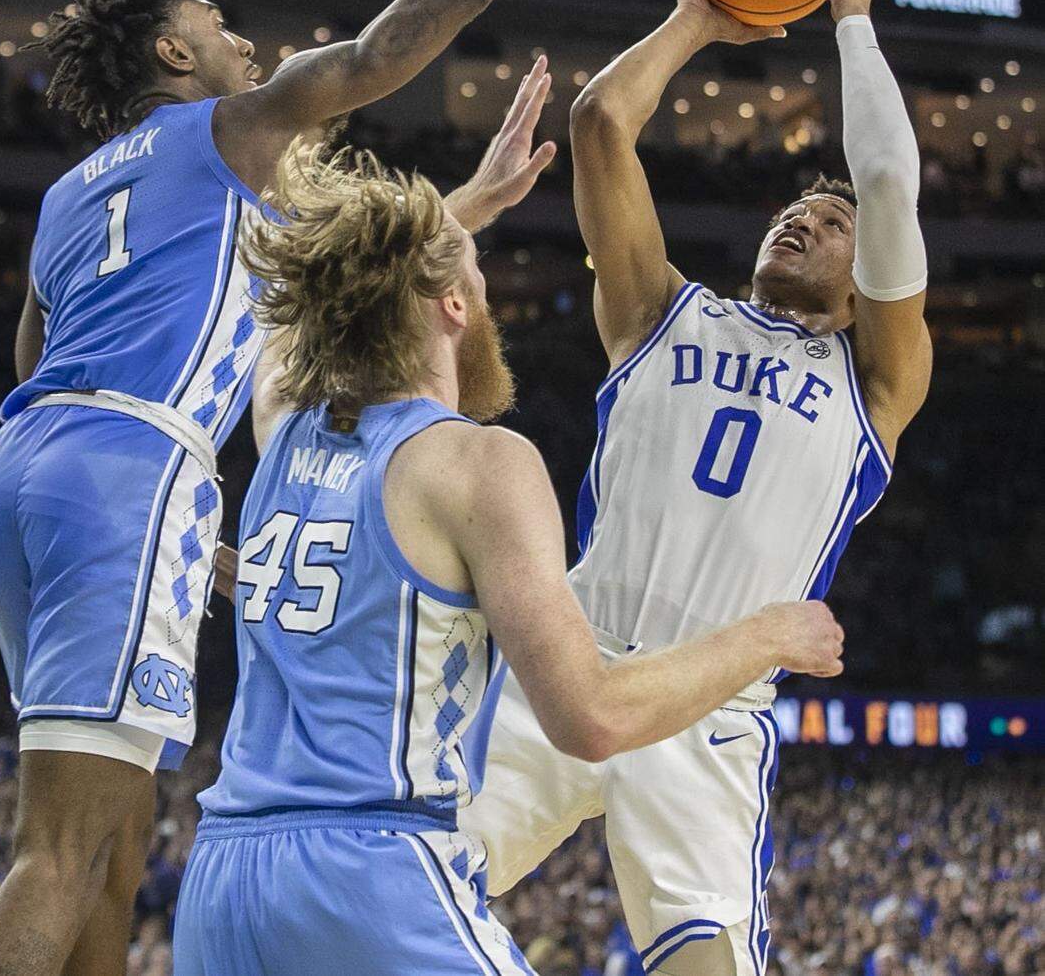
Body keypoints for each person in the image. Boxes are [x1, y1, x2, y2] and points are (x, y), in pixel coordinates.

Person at [0, 0, 710, 976]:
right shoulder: (228, 132)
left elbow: (46, 357)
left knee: (122, 830)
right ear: (169, 52)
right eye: (217, 27)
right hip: (123, 470)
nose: (244, 40)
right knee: (67, 847)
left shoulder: (77, 192)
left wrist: (458, 209)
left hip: (21, 476)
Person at [171, 137, 845, 976]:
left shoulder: (282, 431)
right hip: (373, 871)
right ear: (453, 304)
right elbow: (591, 716)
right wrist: (772, 634)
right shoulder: (480, 462)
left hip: (222, 880)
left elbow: (289, 330)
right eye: (480, 283)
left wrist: (451, 218)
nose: (489, 301)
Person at [460, 0, 932, 976]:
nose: (800, 219)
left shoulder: (877, 382)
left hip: (709, 701)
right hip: (562, 662)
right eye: (793, 210)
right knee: (391, 880)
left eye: (827, 223)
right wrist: (696, 17)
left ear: (866, 284)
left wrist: (851, 15)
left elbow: (892, 180)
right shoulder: (658, 309)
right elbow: (598, 125)